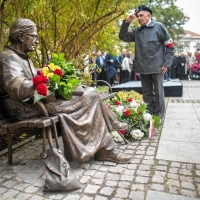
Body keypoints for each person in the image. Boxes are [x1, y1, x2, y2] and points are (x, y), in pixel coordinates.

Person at [0, 18, 131, 164]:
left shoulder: (23, 58)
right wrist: (47, 81)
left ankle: (105, 145)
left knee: (90, 93)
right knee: (89, 97)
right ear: (21, 36)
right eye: (34, 36)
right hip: (22, 107)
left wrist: (55, 76)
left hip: (35, 101)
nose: (36, 41)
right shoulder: (8, 58)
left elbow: (33, 78)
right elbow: (17, 88)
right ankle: (106, 146)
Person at [119, 5, 174, 122]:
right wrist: (127, 22)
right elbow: (123, 36)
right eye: (138, 16)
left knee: (159, 93)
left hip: (157, 67)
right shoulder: (137, 31)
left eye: (141, 15)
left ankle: (159, 117)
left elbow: (170, 47)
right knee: (147, 93)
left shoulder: (159, 27)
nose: (139, 18)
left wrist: (166, 63)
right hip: (143, 68)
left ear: (149, 15)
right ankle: (149, 116)